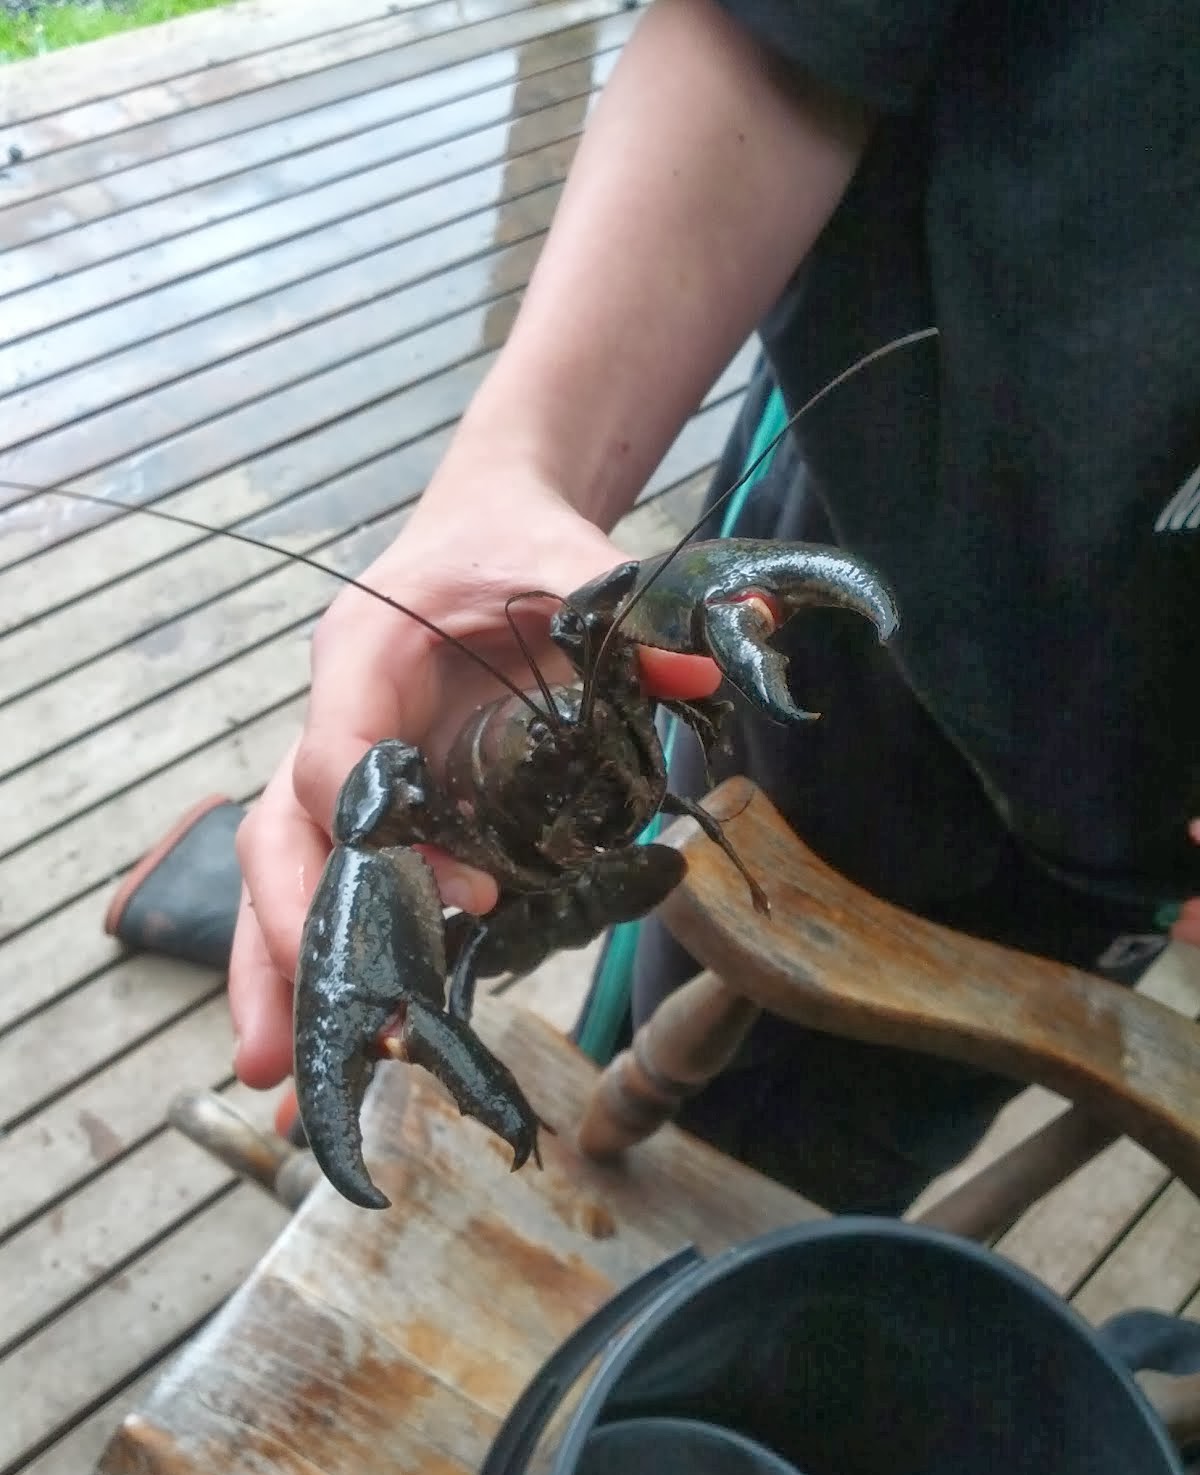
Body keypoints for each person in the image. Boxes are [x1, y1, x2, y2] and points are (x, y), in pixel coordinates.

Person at [226, 0, 1200, 1213]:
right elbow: (790, 37)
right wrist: (516, 469)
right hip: (841, 653)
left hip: (1117, 833)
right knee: (617, 923)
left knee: (859, 1139)